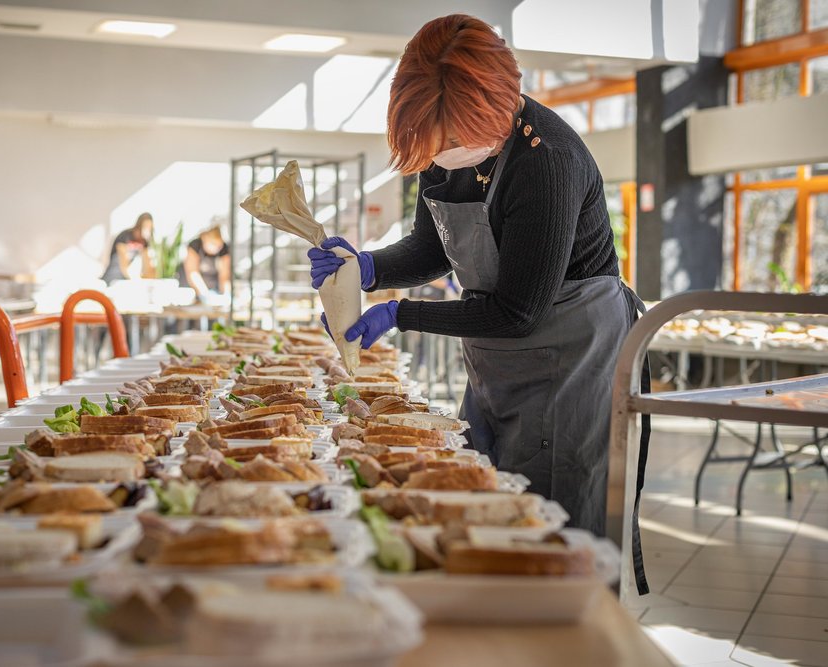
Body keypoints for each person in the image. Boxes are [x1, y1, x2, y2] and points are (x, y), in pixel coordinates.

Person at [308, 14, 651, 592]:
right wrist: (367, 269)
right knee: (483, 505)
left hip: (571, 352)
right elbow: (431, 246)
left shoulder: (548, 160)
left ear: (496, 111)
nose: (444, 159)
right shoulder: (445, 153)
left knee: (548, 526)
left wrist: (402, 313)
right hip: (499, 355)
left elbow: (519, 309)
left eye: (454, 145)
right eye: (432, 149)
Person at [182, 225, 230, 304]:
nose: (216, 248)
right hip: (192, 291)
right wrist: (204, 294)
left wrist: (226, 294)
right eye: (213, 244)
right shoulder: (195, 246)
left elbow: (224, 276)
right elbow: (193, 273)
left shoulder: (224, 249)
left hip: (214, 289)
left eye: (219, 246)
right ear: (204, 238)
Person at [102, 212, 154, 284]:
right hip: (114, 274)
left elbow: (147, 265)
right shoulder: (125, 236)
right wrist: (132, 279)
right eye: (145, 227)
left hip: (126, 278)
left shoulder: (145, 242)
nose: (147, 231)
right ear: (139, 226)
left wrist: (148, 280)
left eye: (150, 228)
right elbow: (123, 261)